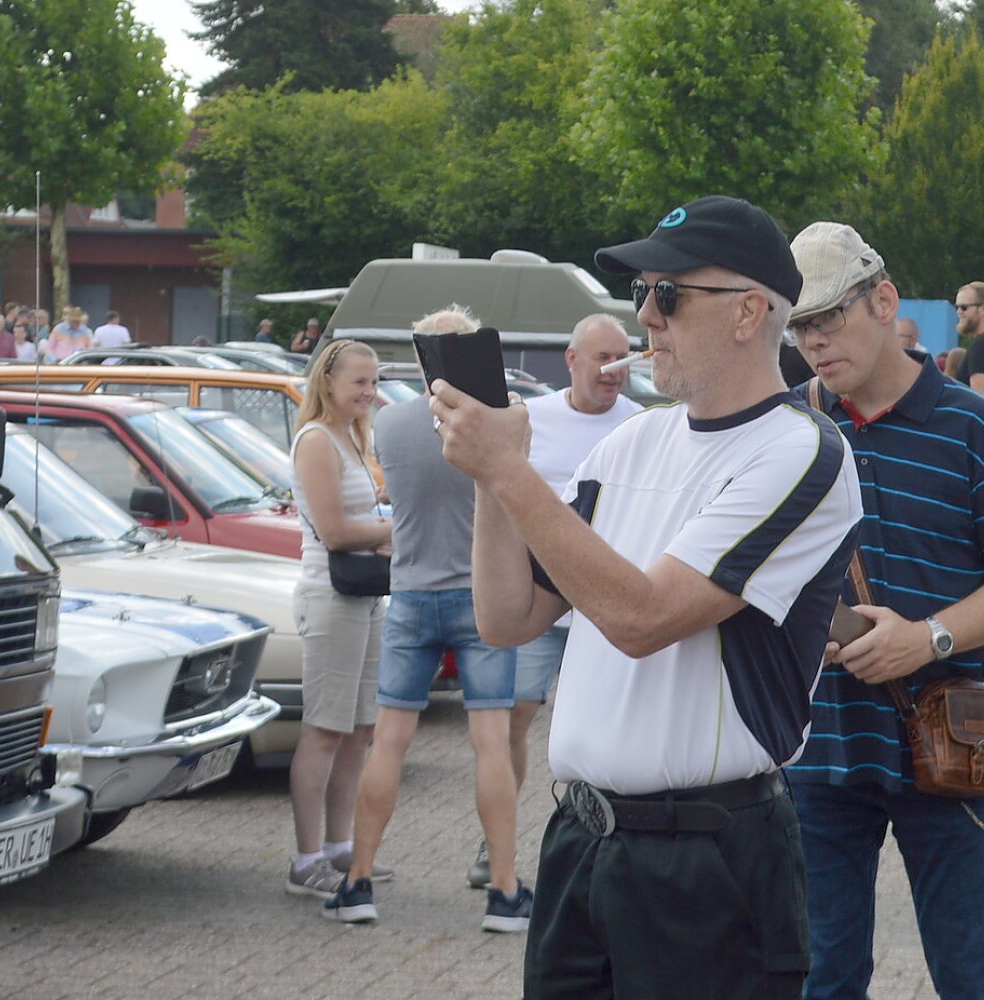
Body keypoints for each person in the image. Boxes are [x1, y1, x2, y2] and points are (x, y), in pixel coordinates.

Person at [429, 195, 863, 998]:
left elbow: (643, 618)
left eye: (667, 295)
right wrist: (494, 476)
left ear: (748, 313)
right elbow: (508, 617)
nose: (646, 319)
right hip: (583, 843)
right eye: (641, 295)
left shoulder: (801, 452)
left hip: (707, 860)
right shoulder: (631, 439)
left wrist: (509, 473)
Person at [784, 221, 984, 1000]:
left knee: (967, 974)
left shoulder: (973, 427)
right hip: (818, 745)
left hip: (944, 742)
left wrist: (928, 638)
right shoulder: (794, 426)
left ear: (884, 301)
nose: (813, 342)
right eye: (799, 326)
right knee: (823, 976)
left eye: (829, 318)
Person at [323, 306, 529, 932]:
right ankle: (503, 890)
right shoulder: (497, 419)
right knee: (491, 741)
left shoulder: (391, 422)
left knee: (389, 740)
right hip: (480, 594)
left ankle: (358, 882)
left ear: (419, 359)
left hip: (410, 592)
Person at [464, 312, 642, 890]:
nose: (612, 369)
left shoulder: (639, 426)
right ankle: (499, 843)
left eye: (621, 357)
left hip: (605, 600)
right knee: (517, 715)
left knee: (605, 718)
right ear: (571, 360)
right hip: (538, 596)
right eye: (601, 357)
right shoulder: (530, 422)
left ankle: (603, 841)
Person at [285, 339, 395, 897]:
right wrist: (393, 532)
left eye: (374, 382)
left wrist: (380, 528)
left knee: (359, 730)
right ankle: (306, 861)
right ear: (327, 381)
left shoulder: (353, 437)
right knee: (325, 729)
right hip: (330, 596)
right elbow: (333, 532)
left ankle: (339, 847)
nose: (370, 393)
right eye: (360, 382)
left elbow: (361, 518)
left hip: (364, 596)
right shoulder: (315, 440)